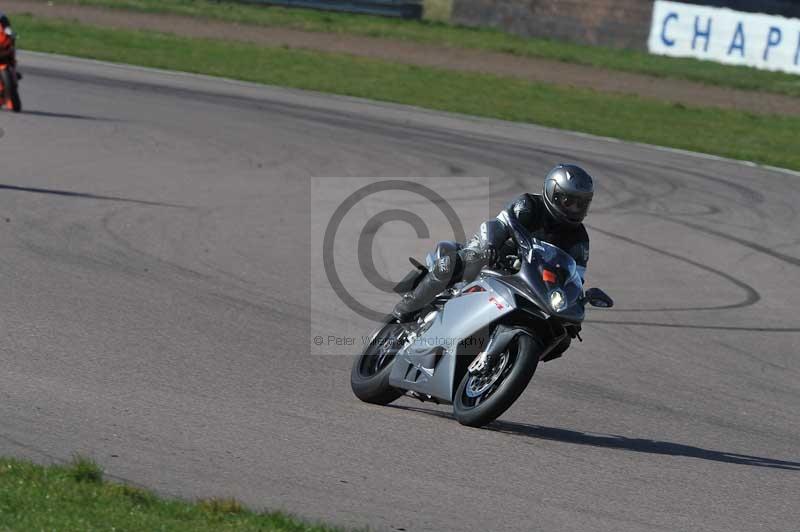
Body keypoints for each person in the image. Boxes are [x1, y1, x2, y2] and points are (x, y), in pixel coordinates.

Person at [393, 163, 594, 357]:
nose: (575, 208)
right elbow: (500, 224)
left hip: (533, 281)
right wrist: (490, 247)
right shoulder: (529, 204)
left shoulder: (580, 239)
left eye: (581, 204)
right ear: (553, 193)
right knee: (459, 263)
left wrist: (573, 305)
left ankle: (506, 354)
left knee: (562, 336)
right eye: (569, 201)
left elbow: (575, 277)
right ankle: (407, 309)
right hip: (498, 255)